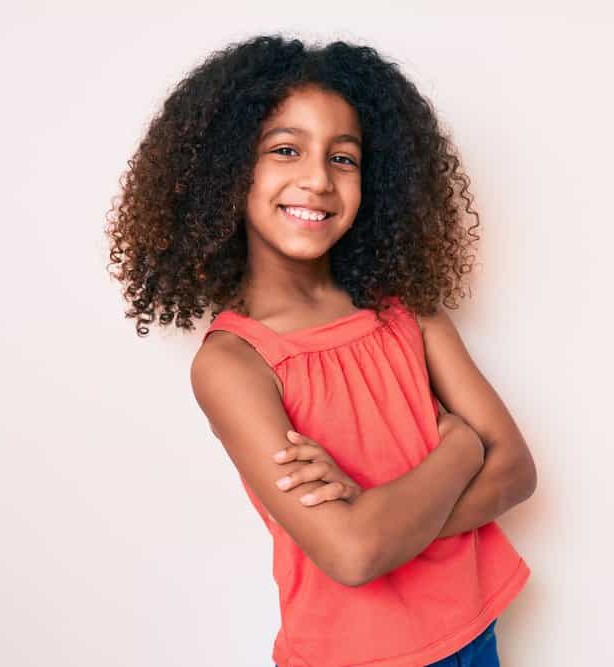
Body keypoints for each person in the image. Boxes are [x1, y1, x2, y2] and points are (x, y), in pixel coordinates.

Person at [106, 33, 537, 667]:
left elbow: (518, 472)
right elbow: (354, 555)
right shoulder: (235, 363)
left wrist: (381, 519)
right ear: (229, 171)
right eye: (285, 150)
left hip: (473, 632)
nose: (316, 180)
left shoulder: (404, 310)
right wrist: (461, 447)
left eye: (344, 158)